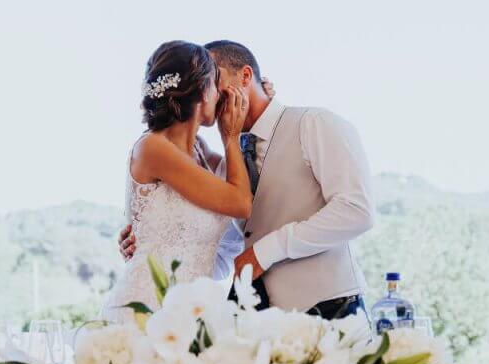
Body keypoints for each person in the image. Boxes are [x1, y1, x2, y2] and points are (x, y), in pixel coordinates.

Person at [119, 40, 375, 320]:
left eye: (215, 79)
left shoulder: (313, 123)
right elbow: (222, 245)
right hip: (247, 323)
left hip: (330, 308)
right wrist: (150, 248)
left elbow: (357, 211)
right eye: (208, 82)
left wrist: (266, 251)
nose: (212, 91)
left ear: (245, 76)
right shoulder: (224, 164)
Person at [100, 40, 253, 322]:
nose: (221, 95)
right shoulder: (153, 148)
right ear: (202, 90)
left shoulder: (201, 152)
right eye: (216, 84)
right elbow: (241, 203)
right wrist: (230, 136)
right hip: (150, 306)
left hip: (196, 309)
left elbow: (245, 178)